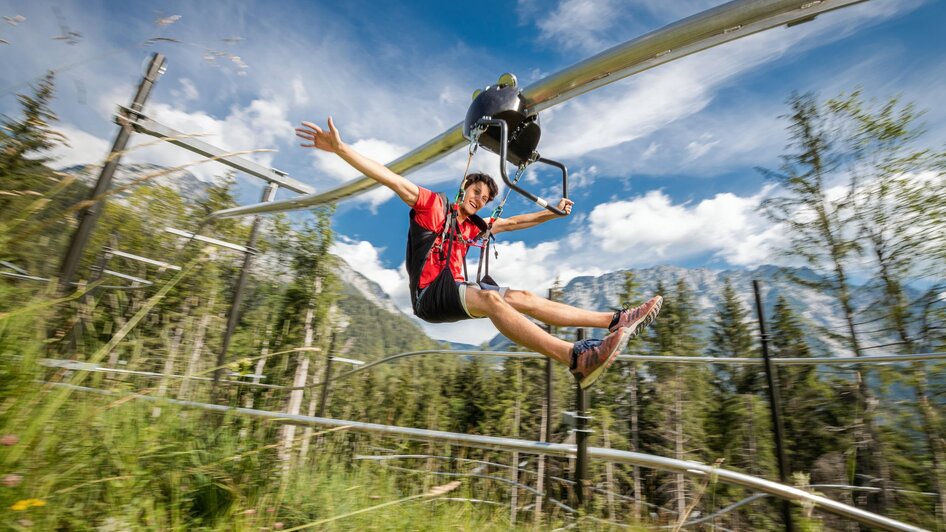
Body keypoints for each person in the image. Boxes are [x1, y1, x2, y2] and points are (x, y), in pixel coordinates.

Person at [296, 118, 662, 389]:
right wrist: (340, 149)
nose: (479, 201)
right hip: (430, 294)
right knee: (491, 299)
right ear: (464, 186)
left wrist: (553, 210)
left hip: (454, 288)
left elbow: (515, 223)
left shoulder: (474, 226)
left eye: (485, 199)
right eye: (476, 193)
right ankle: (576, 357)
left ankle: (615, 320)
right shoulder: (432, 206)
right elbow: (390, 178)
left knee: (521, 296)